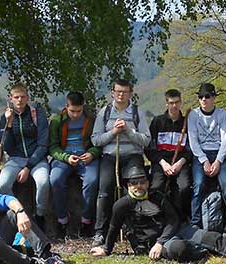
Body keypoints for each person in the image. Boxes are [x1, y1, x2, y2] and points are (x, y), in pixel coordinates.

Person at [88, 164, 226, 263]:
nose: (139, 186)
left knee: (213, 237)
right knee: (179, 248)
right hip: (154, 244)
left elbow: (173, 220)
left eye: (142, 182)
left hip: (173, 233)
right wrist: (106, 249)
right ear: (128, 184)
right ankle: (202, 252)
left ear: (147, 182)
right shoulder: (121, 205)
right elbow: (113, 228)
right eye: (134, 183)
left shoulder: (157, 196)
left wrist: (162, 242)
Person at [90, 79, 152, 246]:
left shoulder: (137, 112)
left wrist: (129, 131)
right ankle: (100, 232)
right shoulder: (105, 112)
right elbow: (96, 140)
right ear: (112, 92)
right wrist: (114, 132)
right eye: (118, 91)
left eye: (124, 92)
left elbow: (146, 140)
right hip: (110, 156)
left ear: (130, 93)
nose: (121, 94)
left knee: (134, 191)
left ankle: (137, 230)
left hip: (133, 156)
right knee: (105, 191)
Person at [0, 84, 52, 231]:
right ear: (11, 98)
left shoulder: (37, 114)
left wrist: (28, 166)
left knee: (43, 182)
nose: (19, 100)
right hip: (15, 158)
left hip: (36, 158)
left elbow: (43, 144)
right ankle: (16, 213)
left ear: (27, 98)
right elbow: (6, 147)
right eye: (16, 97)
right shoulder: (6, 117)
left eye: (22, 97)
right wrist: (8, 125)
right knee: (3, 184)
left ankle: (40, 216)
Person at [48, 91, 102, 240]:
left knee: (92, 181)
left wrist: (92, 153)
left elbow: (99, 142)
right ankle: (62, 220)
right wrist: (65, 157)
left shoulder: (91, 119)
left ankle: (86, 221)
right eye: (72, 111)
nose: (76, 114)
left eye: (79, 111)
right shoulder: (57, 120)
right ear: (66, 106)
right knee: (55, 180)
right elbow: (52, 147)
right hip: (64, 157)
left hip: (86, 158)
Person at [187, 83, 226, 231]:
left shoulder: (222, 114)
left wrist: (218, 161)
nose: (203, 99)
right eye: (200, 97)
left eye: (207, 96)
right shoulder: (193, 115)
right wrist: (204, 161)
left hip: (218, 153)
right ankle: (195, 223)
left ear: (214, 98)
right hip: (200, 155)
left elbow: (225, 139)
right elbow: (193, 140)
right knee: (198, 185)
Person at [149, 89, 193, 221]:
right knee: (156, 187)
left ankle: (180, 217)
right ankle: (158, 218)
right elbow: (150, 148)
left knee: (184, 186)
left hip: (181, 163)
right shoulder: (157, 122)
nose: (174, 106)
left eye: (177, 102)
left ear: (181, 102)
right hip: (161, 163)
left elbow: (191, 149)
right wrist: (163, 163)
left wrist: (180, 163)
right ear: (166, 104)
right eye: (171, 103)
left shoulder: (187, 123)